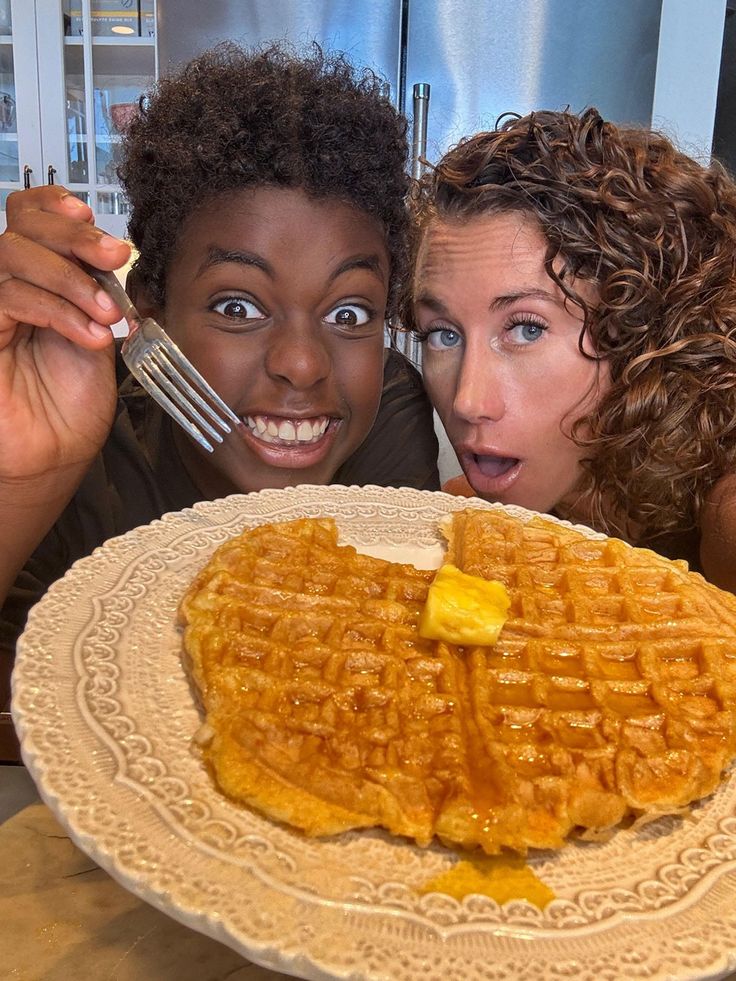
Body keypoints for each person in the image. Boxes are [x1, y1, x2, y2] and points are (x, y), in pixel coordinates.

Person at [0, 43, 439, 736]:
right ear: (147, 305)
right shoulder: (90, 449)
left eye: (349, 313)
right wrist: (22, 480)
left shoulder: (387, 415)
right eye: (238, 306)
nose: (302, 364)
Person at [405, 106, 736, 590]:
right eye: (443, 334)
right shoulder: (470, 519)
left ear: (643, 330)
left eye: (526, 328)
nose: (466, 402)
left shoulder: (723, 519)